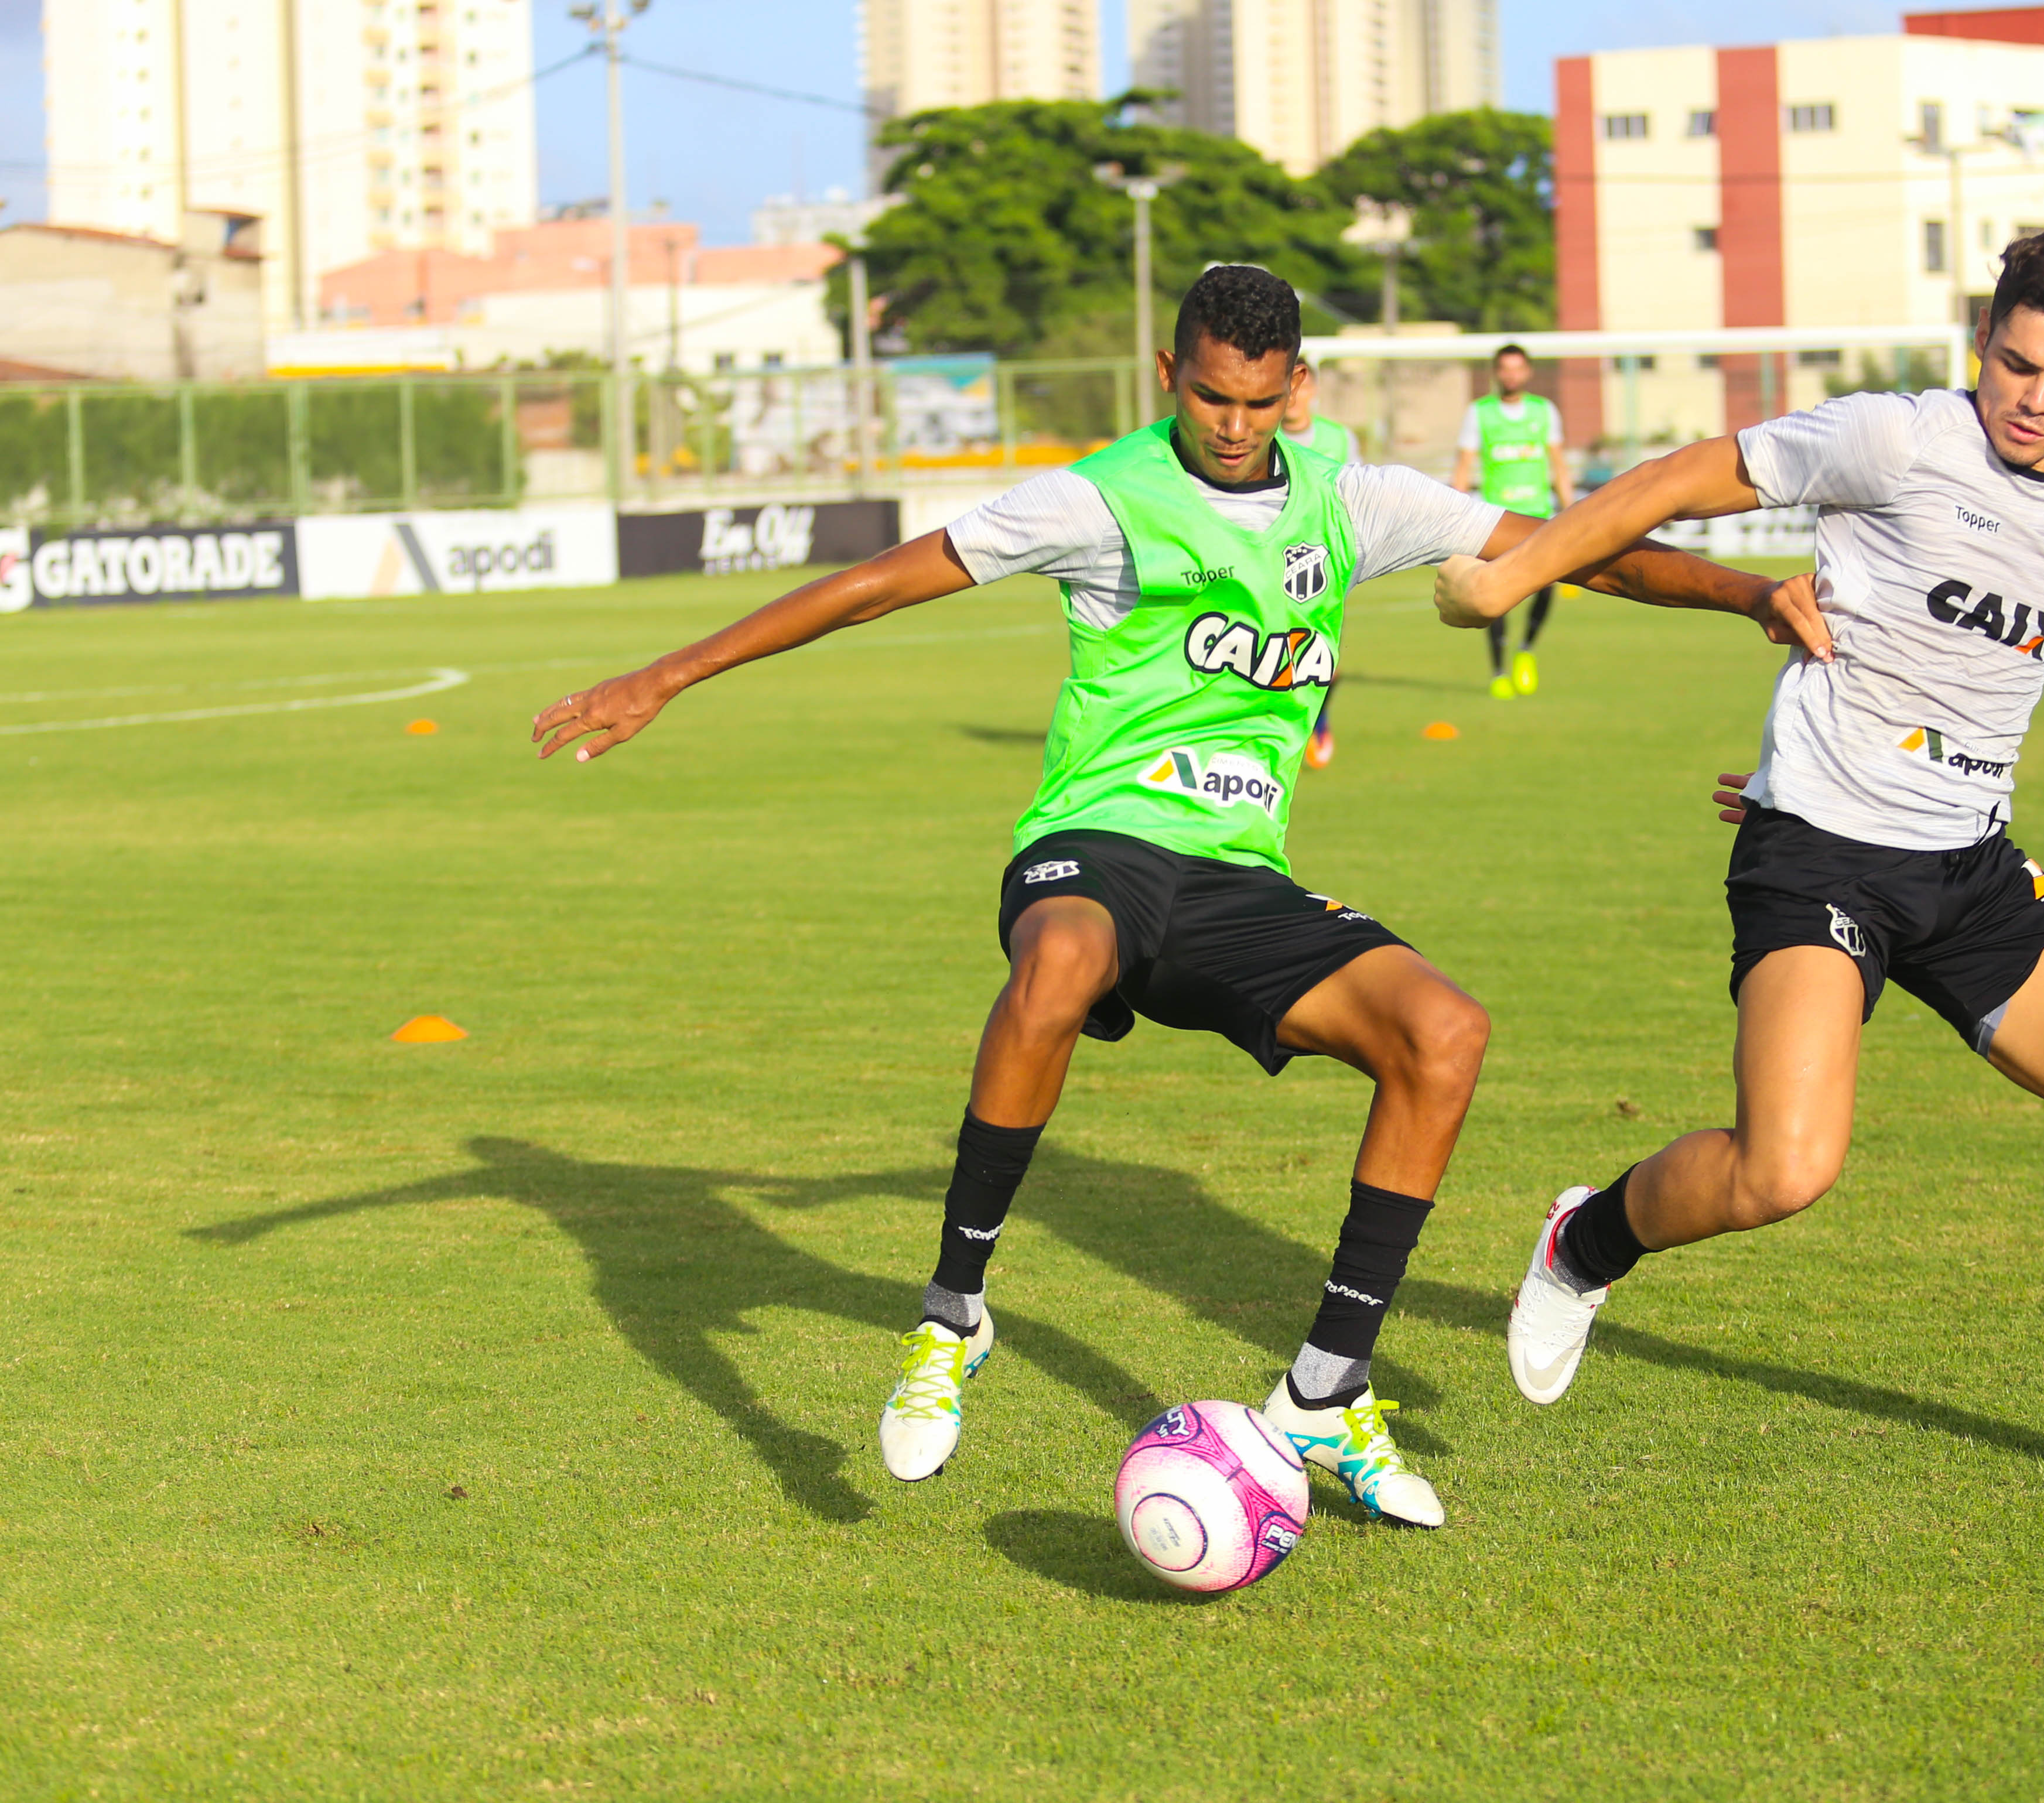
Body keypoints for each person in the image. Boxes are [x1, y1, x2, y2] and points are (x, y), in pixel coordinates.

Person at [531, 265, 1776, 1527]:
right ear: (1167, 376)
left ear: (1295, 388)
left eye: (1257, 401)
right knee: (1061, 961)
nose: (1231, 425)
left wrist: (1753, 595)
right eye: (1208, 396)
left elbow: (1580, 553)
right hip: (1094, 842)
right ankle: (952, 1316)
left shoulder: (1354, 500)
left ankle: (1326, 1389)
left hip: (1235, 876)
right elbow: (882, 582)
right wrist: (668, 673)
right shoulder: (1098, 497)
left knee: (1443, 1030)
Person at [1433, 232, 2044, 1524]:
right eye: (2016, 365)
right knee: (1781, 1172)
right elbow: (1681, 477)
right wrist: (1515, 576)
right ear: (1981, 340)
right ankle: (1586, 1239)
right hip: (1818, 859)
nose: (2034, 399)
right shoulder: (1893, 437)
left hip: (1969, 867)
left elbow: (1959, 675)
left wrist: (1835, 750)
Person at [1449, 343, 1574, 700]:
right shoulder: (1480, 413)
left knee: (1546, 587)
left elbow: (1559, 465)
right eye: (1505, 368)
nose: (1511, 375)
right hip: (1496, 519)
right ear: (1496, 373)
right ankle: (1499, 672)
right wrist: (1453, 514)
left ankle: (1526, 649)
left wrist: (1571, 511)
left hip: (1538, 515)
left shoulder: (1544, 411)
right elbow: (1464, 466)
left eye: (1518, 368)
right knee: (1495, 593)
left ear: (1528, 372)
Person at [1280, 360, 1359, 766]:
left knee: (1327, 660)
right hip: (1270, 560)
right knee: (1271, 653)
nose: (1294, 397)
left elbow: (1356, 497)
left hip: (1327, 565)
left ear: (1312, 391)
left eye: (1302, 387)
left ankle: (1318, 719)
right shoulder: (1261, 437)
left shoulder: (1339, 439)